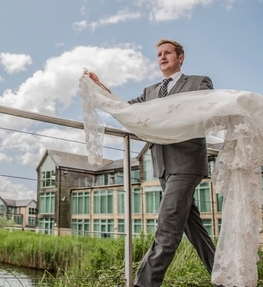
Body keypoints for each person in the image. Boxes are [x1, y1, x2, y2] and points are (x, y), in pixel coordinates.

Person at [85, 39, 217, 287]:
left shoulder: (199, 82)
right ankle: (225, 277)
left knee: (166, 229)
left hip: (187, 163)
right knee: (194, 230)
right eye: (159, 54)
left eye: (168, 53)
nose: (162, 57)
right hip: (163, 167)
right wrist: (99, 86)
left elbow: (206, 111)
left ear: (180, 58)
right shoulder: (150, 92)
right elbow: (125, 109)